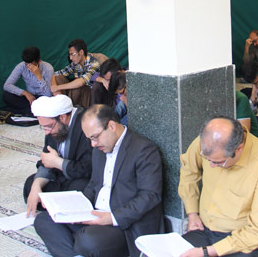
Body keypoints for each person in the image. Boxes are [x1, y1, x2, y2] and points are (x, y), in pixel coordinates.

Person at [34, 104, 164, 257]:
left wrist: (112, 218)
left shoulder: (143, 150)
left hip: (123, 225)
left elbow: (150, 196)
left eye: (95, 137)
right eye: (89, 139)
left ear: (112, 126)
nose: (93, 144)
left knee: (87, 239)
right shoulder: (99, 148)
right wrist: (74, 208)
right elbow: (94, 185)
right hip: (95, 214)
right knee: (44, 219)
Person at [179, 117, 258, 256]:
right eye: (208, 160)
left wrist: (208, 252)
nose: (211, 166)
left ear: (239, 148)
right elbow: (189, 171)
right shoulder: (208, 142)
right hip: (206, 230)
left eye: (218, 162)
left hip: (249, 240)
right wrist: (192, 213)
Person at [23, 95, 92, 216]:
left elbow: (88, 169)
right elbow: (46, 159)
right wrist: (37, 185)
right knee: (31, 184)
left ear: (62, 117)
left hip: (81, 178)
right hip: (61, 177)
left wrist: (58, 163)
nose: (47, 132)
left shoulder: (86, 124)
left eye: (48, 126)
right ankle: (58, 204)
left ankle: (58, 205)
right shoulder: (54, 127)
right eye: (43, 127)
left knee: (82, 188)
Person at [2, 46, 53, 115]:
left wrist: (39, 76)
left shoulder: (48, 68)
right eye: (27, 64)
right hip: (29, 97)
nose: (29, 67)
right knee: (7, 96)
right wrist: (25, 93)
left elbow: (49, 94)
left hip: (43, 98)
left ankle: (24, 111)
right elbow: (7, 85)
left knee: (49, 104)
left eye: (32, 64)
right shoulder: (21, 66)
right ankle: (33, 112)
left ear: (39, 61)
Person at [51, 39, 100, 108]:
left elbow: (81, 82)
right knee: (59, 78)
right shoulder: (75, 64)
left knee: (76, 87)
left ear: (81, 52)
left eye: (72, 54)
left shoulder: (94, 63)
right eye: (70, 55)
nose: (70, 58)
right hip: (78, 94)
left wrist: (57, 87)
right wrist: (55, 88)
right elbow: (55, 74)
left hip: (91, 96)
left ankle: (68, 109)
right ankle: (62, 106)